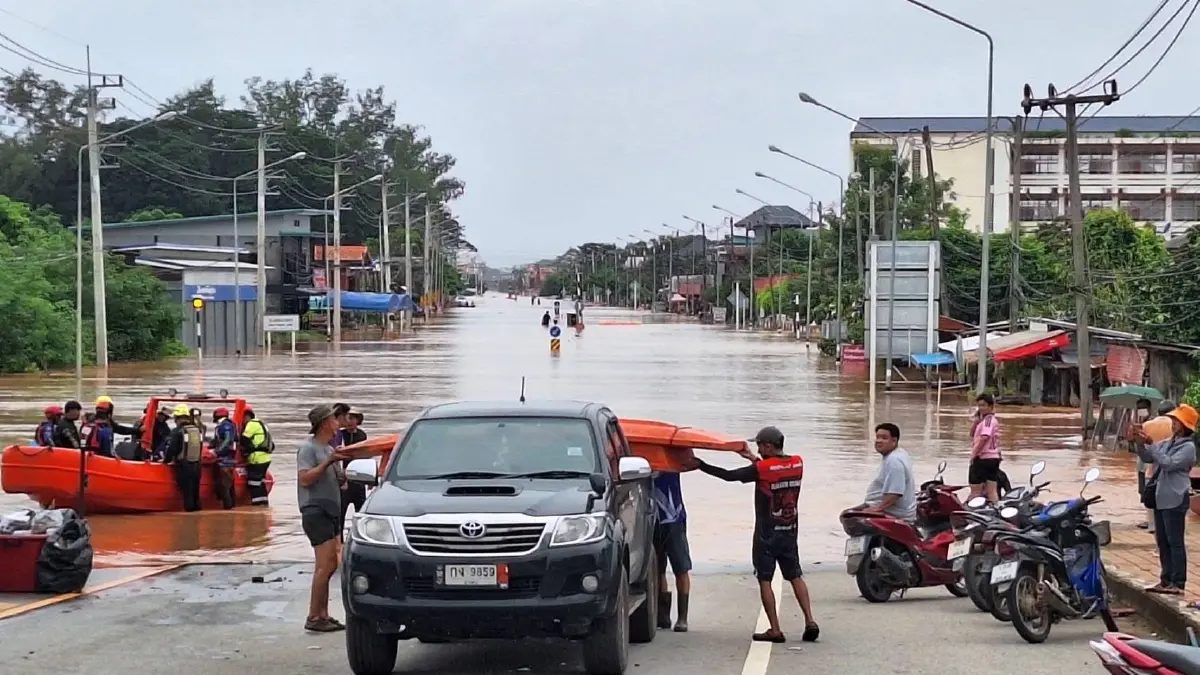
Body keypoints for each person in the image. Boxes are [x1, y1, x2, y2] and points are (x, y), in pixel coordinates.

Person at [685, 426, 818, 643]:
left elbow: (729, 476)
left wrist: (701, 466)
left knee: (765, 579)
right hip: (790, 530)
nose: (759, 449)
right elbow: (771, 468)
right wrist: (751, 457)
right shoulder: (797, 463)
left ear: (767, 446)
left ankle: (775, 629)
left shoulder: (762, 469)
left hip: (766, 534)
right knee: (795, 575)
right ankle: (810, 620)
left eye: (760, 446)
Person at [1132, 403, 1198, 595]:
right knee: (1162, 541)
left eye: (1176, 421)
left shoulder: (1188, 448)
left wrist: (1152, 445)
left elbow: (1168, 464)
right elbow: (1147, 457)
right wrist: (1139, 441)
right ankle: (1165, 579)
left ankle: (1178, 583)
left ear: (1184, 425)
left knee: (1175, 541)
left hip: (1176, 498)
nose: (1173, 424)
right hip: (1162, 497)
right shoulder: (1168, 443)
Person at [297, 404, 351, 633]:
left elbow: (339, 481)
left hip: (330, 512)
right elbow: (305, 479)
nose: (337, 421)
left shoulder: (329, 449)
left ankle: (323, 614)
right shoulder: (308, 449)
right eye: (333, 418)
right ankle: (314, 616)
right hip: (315, 510)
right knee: (324, 565)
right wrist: (328, 463)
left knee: (330, 564)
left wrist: (341, 475)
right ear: (323, 423)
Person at [652, 467, 692, 632]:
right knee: (657, 569)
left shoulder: (668, 459)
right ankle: (663, 615)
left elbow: (686, 460)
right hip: (651, 518)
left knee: (681, 567)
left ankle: (682, 617)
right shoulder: (639, 460)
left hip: (674, 517)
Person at [860, 423, 917, 521]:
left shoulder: (894, 461)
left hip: (894, 513)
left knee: (848, 516)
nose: (879, 441)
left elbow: (895, 493)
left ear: (894, 441)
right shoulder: (900, 453)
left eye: (884, 438)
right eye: (877, 437)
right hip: (888, 508)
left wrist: (877, 509)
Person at [162, 404, 204, 512]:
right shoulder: (197, 430)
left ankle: (189, 521)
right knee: (195, 493)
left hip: (184, 466)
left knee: (187, 494)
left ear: (177, 418)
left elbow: (172, 449)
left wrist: (165, 461)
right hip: (197, 465)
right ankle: (197, 517)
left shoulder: (178, 431)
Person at [338, 411, 368, 541]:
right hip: (344, 478)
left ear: (358, 420)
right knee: (340, 514)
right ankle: (339, 540)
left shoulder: (362, 435)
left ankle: (360, 539)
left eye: (353, 418)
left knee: (361, 514)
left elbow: (365, 455)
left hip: (358, 478)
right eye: (348, 417)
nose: (350, 421)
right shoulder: (340, 435)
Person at [968, 393, 1003, 504]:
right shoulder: (984, 421)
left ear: (991, 406)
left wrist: (974, 454)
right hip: (993, 459)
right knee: (991, 491)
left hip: (983, 458)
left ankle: (974, 514)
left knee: (975, 493)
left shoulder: (988, 421)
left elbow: (984, 437)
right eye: (979, 406)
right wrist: (976, 422)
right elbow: (972, 434)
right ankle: (996, 511)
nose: (981, 408)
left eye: (983, 405)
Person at [240, 406, 273, 506]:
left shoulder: (251, 424)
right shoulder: (262, 424)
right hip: (265, 458)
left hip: (257, 458)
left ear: (247, 416)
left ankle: (257, 505)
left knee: (253, 483)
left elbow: (244, 439)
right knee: (260, 482)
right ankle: (263, 504)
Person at [210, 408, 238, 510]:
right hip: (226, 460)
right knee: (227, 486)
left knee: (225, 487)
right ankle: (231, 507)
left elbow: (227, 440)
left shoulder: (225, 426)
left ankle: (228, 508)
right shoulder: (227, 425)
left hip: (225, 461)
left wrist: (216, 452)